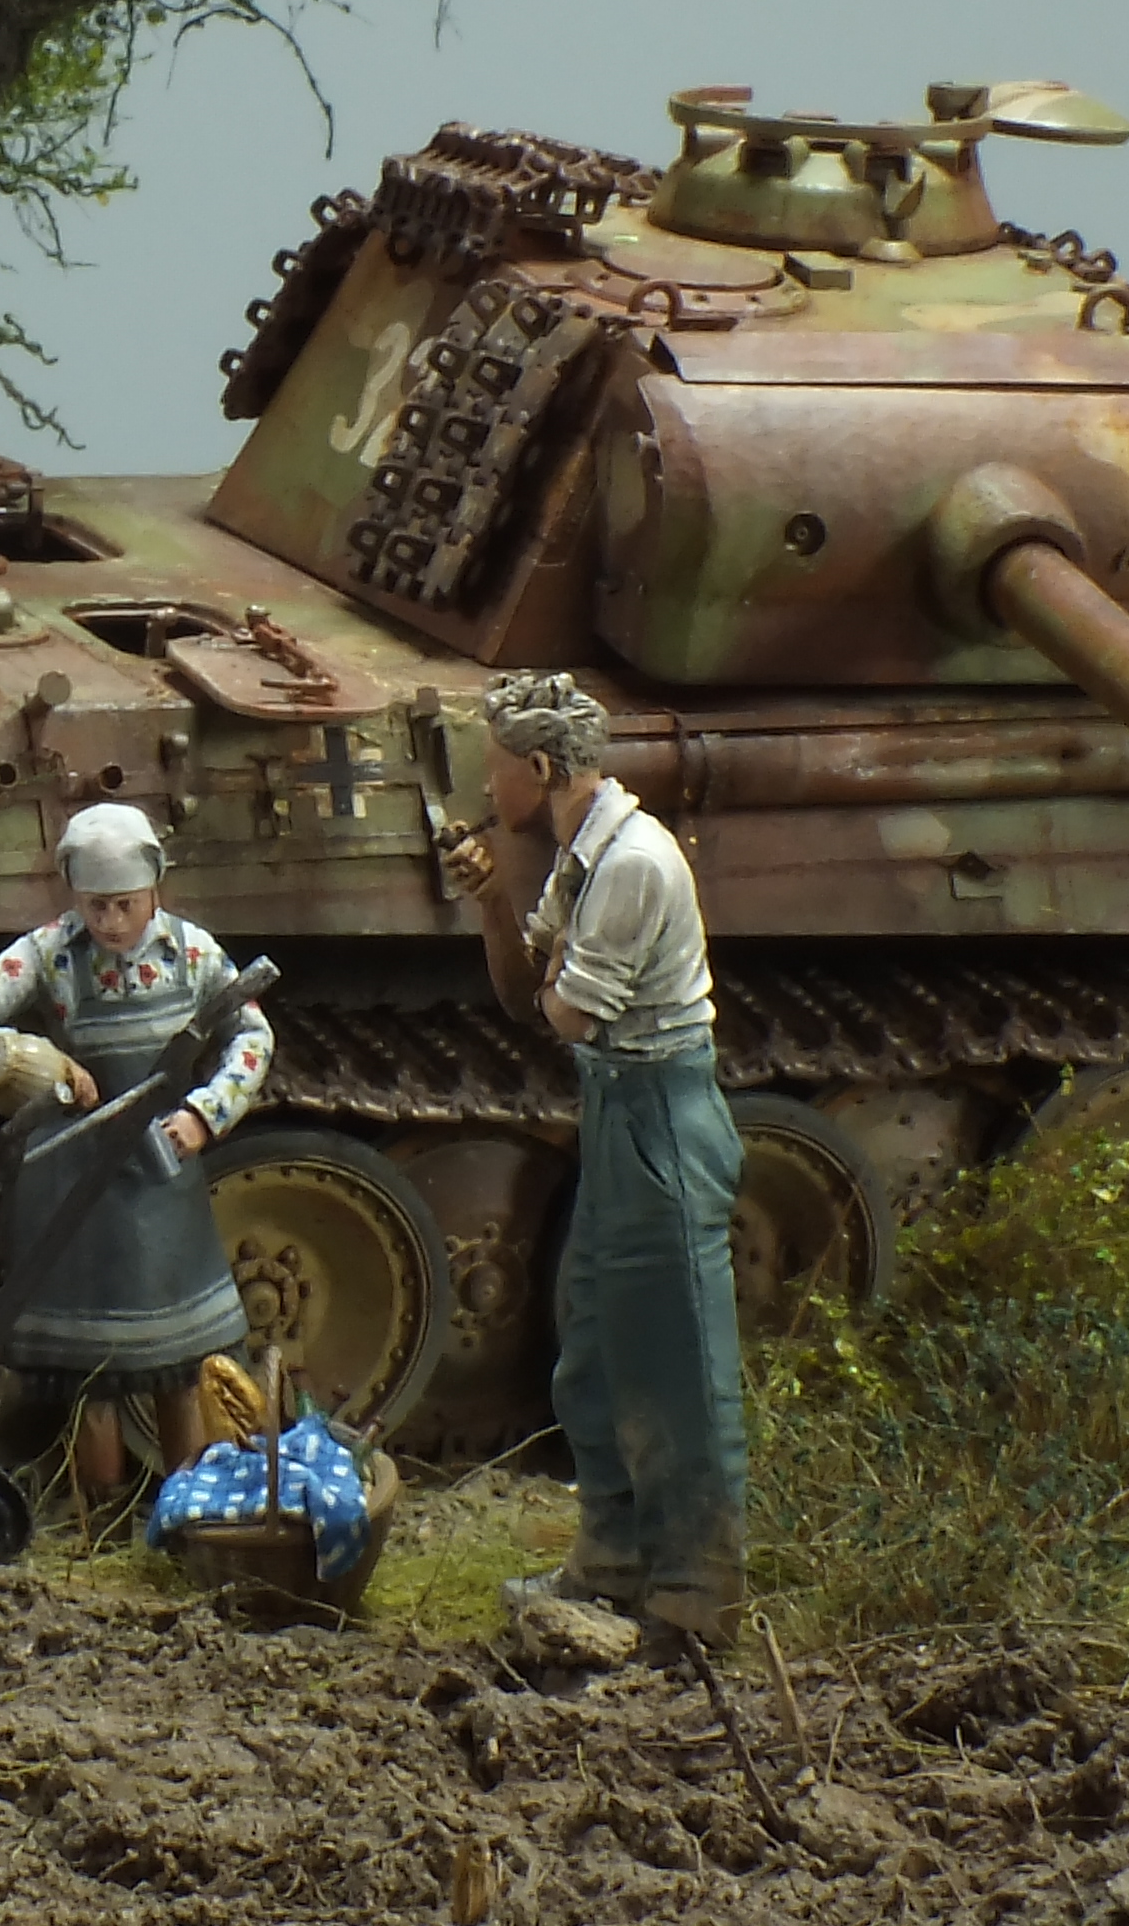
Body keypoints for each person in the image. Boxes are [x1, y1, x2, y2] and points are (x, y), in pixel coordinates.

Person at [437, 670, 746, 1649]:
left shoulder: (632, 864)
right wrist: (494, 899)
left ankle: (696, 1593)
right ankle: (612, 1559)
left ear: (539, 767)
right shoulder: (582, 856)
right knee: (595, 1345)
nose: (488, 789)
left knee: (680, 1363)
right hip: (614, 1108)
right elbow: (528, 998)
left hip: (660, 1113)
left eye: (497, 769)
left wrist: (552, 971)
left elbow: (568, 1014)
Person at [0, 800, 274, 1478]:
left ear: (154, 887)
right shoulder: (51, 953)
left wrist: (207, 1113)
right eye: (95, 906)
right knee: (92, 1381)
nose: (109, 922)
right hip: (75, 1189)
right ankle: (99, 1516)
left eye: (125, 904)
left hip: (162, 1178)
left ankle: (186, 1503)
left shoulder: (193, 954)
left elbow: (252, 1036)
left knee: (181, 1367)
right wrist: (32, 1061)